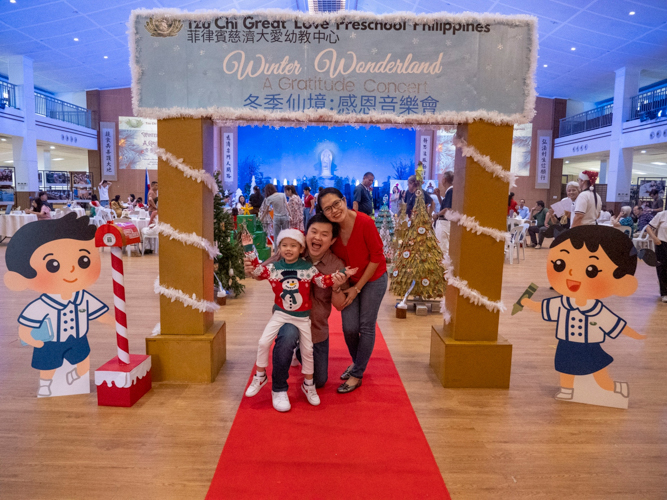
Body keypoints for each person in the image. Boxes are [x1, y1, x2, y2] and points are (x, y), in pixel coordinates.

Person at [520, 226, 646, 402]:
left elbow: (616, 324)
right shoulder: (564, 303)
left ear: (622, 283)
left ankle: (616, 387)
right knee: (565, 368)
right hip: (566, 344)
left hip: (590, 346)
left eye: (591, 270)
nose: (571, 273)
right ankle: (566, 390)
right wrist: (529, 303)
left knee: (601, 377)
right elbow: (545, 308)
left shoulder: (596, 310)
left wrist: (636, 335)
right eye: (560, 264)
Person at [244, 213, 349, 411]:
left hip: (314, 325)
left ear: (333, 240)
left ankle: (303, 370)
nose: (317, 238)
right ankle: (277, 386)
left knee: (319, 378)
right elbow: (259, 272)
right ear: (306, 235)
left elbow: (334, 297)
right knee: (277, 340)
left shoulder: (327, 265)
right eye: (314, 232)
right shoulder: (284, 257)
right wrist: (249, 261)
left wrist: (338, 280)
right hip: (285, 316)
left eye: (324, 234)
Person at [3, 213, 114, 396]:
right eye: (53, 265)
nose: (71, 269)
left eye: (83, 260)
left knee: (83, 361)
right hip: (51, 342)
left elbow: (98, 313)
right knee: (49, 365)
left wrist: (112, 322)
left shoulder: (82, 297)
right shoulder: (42, 305)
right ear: (20, 280)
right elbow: (26, 325)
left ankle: (76, 377)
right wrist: (29, 337)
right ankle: (47, 385)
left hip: (78, 338)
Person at [318, 188, 388, 394]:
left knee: (366, 325)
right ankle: (358, 362)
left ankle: (357, 373)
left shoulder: (365, 222)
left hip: (374, 278)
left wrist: (357, 289)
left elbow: (377, 257)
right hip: (350, 281)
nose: (334, 210)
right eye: (327, 209)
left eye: (336, 204)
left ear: (344, 200)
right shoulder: (332, 231)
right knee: (349, 327)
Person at [646, 210, 667, 302]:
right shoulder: (662, 215)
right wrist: (654, 238)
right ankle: (664, 293)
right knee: (662, 267)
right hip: (662, 244)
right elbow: (648, 227)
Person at [432, 171, 454, 256]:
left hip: (444, 224)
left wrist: (437, 214)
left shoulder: (450, 191)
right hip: (444, 223)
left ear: (444, 180)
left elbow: (447, 209)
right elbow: (444, 206)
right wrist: (438, 196)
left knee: (442, 249)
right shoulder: (449, 191)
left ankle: (443, 268)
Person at [264, 184, 290, 250]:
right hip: (285, 216)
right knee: (286, 235)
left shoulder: (269, 198)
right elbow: (286, 205)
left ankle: (276, 252)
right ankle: (286, 249)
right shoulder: (282, 195)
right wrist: (290, 214)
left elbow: (266, 210)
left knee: (276, 236)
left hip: (276, 218)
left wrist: (261, 218)